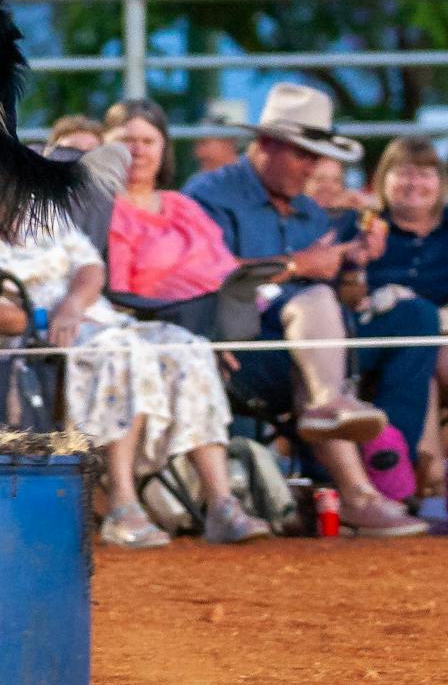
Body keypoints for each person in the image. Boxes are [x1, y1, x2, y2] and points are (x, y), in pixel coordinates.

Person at [0, 153, 268, 547]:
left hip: (92, 320)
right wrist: (45, 319)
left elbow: (90, 267)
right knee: (120, 349)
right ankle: (122, 503)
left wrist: (72, 306)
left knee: (186, 346)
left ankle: (220, 502)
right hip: (25, 340)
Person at [184, 83, 433, 537]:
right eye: (305, 155)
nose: (314, 168)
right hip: (238, 347)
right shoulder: (209, 194)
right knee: (313, 318)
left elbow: (345, 298)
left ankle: (386, 467)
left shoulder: (310, 212)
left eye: (317, 157)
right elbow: (204, 273)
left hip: (309, 344)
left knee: (415, 320)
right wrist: (299, 265)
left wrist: (354, 265)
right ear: (266, 145)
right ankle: (358, 488)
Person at [340, 136, 448, 470]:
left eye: (425, 173)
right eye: (403, 173)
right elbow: (345, 294)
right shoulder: (362, 227)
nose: (414, 183)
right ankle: (427, 472)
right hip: (392, 340)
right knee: (420, 353)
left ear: (440, 183)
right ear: (383, 180)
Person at [103, 99, 237, 303]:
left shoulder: (185, 206)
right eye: (126, 141)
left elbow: (228, 269)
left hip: (223, 315)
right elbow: (119, 298)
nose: (138, 151)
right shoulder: (102, 210)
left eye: (148, 142)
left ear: (163, 149)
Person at [191, 97, 247, 176]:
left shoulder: (251, 184)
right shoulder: (198, 185)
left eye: (204, 143)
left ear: (228, 142)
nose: (197, 153)